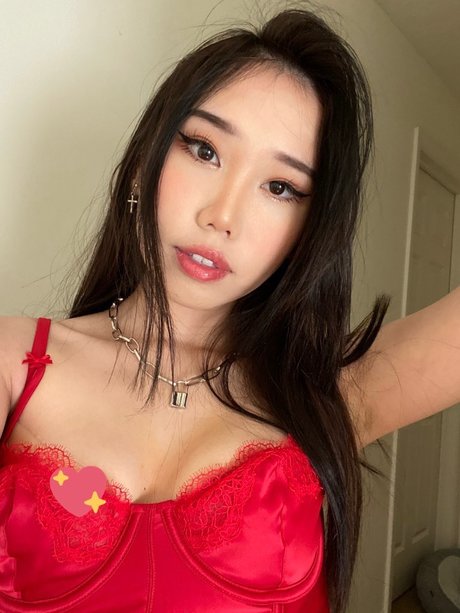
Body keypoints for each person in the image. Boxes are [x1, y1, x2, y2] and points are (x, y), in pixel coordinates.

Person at [0, 7, 458, 613]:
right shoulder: (15, 364)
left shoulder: (324, 396)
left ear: (309, 232)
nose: (222, 216)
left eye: (281, 187)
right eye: (204, 149)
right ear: (145, 162)